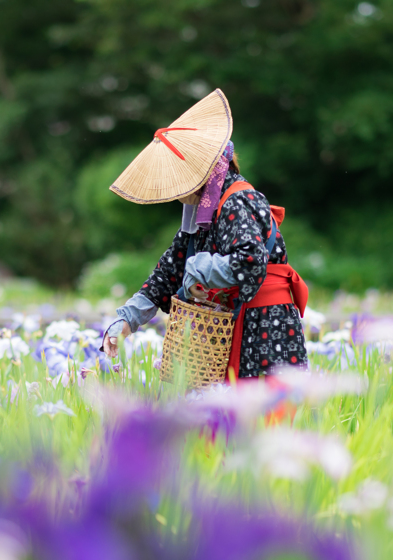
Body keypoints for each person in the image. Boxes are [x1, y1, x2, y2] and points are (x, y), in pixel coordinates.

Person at [102, 89, 308, 380]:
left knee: (264, 417)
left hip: (265, 326)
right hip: (229, 324)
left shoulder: (237, 200)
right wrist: (127, 319)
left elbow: (250, 261)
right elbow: (169, 272)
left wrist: (199, 269)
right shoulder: (202, 213)